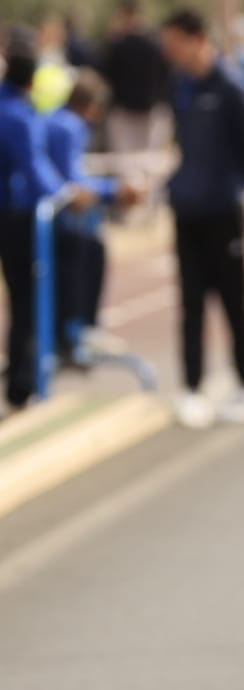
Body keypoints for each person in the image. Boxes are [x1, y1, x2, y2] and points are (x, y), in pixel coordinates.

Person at [159, 9, 244, 429]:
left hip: (225, 213)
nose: (170, 52)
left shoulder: (233, 86)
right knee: (190, 304)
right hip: (187, 213)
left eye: (175, 44)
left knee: (233, 302)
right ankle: (192, 389)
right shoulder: (180, 86)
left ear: (197, 38)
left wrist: (226, 186)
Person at [0, 29, 87, 412]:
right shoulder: (18, 115)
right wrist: (70, 195)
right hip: (14, 217)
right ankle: (23, 383)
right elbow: (35, 170)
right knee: (27, 299)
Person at [43, 77, 143, 360]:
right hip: (49, 217)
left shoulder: (57, 120)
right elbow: (72, 180)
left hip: (43, 213)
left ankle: (70, 331)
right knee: (88, 250)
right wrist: (114, 191)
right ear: (91, 106)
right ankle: (80, 329)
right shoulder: (69, 126)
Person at [98, 0, 173, 168]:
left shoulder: (118, 45)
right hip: (150, 112)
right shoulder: (156, 43)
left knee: (127, 167)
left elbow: (105, 74)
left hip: (127, 114)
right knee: (148, 166)